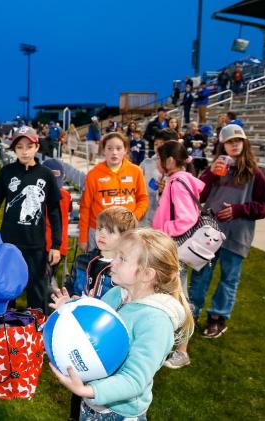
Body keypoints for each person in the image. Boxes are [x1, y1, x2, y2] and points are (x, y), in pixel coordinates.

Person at [50, 228, 194, 421]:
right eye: (116, 256)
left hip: (119, 413)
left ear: (147, 274)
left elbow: (135, 379)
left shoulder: (156, 321)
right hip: (92, 403)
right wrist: (69, 311)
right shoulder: (117, 294)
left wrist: (89, 389)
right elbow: (94, 329)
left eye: (122, 259)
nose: (113, 262)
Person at [0, 126, 62, 312]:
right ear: (14, 149)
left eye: (29, 146)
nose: (25, 151)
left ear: (37, 147)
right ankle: (6, 331)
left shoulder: (46, 175)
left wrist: (56, 245)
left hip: (36, 246)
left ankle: (36, 331)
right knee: (6, 288)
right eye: (20, 147)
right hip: (9, 244)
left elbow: (55, 212)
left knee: (36, 292)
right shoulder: (7, 172)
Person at [190, 125, 265, 338]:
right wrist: (210, 174)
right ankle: (192, 312)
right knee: (201, 274)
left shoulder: (255, 173)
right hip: (210, 233)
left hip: (237, 235)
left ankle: (217, 318)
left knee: (229, 278)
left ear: (244, 143)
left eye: (238, 140)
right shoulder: (216, 168)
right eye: (229, 141)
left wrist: (238, 210)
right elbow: (199, 195)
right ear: (222, 145)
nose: (234, 144)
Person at [152, 140, 202, 369]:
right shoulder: (177, 179)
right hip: (174, 248)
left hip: (175, 249)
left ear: (170, 160)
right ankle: (173, 344)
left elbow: (186, 218)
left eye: (159, 157)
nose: (157, 162)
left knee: (179, 298)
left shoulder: (178, 181)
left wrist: (163, 231)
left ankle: (182, 351)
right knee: (173, 295)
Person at [79, 132, 149, 252]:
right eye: (110, 148)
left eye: (118, 148)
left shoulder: (136, 171)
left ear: (125, 150)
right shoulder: (93, 174)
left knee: (125, 268)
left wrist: (133, 217)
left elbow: (143, 199)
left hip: (127, 231)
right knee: (98, 269)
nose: (114, 152)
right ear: (103, 151)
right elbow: (85, 207)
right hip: (99, 232)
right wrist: (83, 238)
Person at [43, 158, 72, 291]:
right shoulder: (66, 195)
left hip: (47, 246)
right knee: (49, 278)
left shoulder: (42, 195)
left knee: (44, 283)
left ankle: (45, 309)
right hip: (61, 246)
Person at [139, 129, 178, 227]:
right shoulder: (146, 163)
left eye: (162, 143)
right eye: (156, 144)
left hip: (166, 216)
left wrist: (167, 190)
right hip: (146, 212)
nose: (159, 147)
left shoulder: (179, 167)